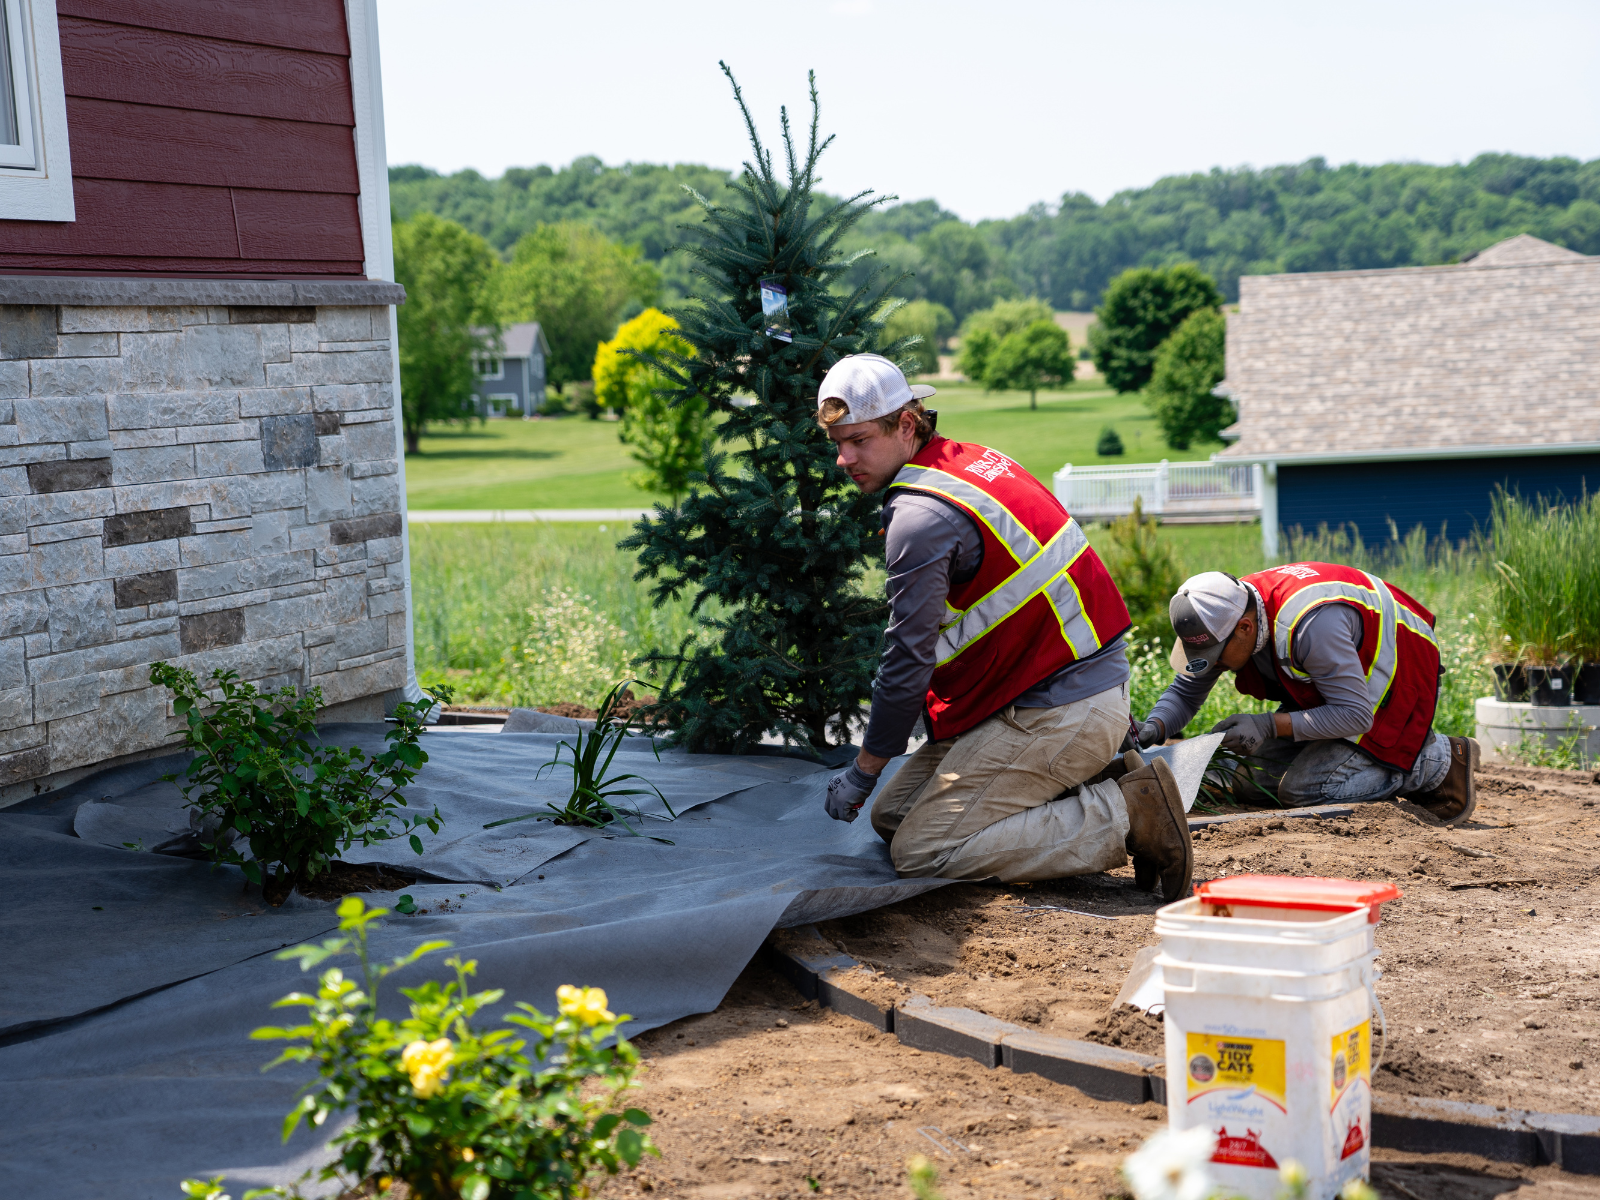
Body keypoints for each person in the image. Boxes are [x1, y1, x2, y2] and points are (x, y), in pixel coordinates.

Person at [816, 353, 1194, 899]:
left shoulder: (919, 520)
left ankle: (1131, 813)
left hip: (1060, 709)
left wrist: (864, 770)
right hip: (1060, 689)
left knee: (922, 851)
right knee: (894, 817)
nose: (844, 458)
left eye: (858, 440)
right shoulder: (970, 461)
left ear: (906, 424)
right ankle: (1097, 778)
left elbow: (907, 660)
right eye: (837, 444)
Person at [1139, 567, 1479, 824]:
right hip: (1337, 687)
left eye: (1215, 655)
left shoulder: (1310, 626)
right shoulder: (1227, 608)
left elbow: (1356, 715)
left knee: (1305, 790)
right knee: (1243, 776)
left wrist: (1268, 726)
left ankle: (1435, 761)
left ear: (1245, 628)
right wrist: (1153, 728)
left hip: (1394, 684)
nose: (1212, 664)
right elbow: (1186, 690)